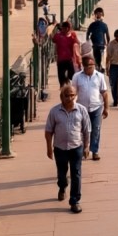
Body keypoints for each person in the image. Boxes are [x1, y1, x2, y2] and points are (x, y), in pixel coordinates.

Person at [45, 84, 90, 214]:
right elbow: (48, 131)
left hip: (76, 147)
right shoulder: (54, 112)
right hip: (60, 148)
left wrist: (86, 146)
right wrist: (49, 148)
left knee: (76, 173)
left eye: (72, 95)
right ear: (61, 97)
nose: (70, 98)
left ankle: (75, 201)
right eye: (67, 96)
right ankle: (62, 186)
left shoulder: (81, 110)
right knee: (62, 173)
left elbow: (87, 129)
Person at [71, 52, 109, 161]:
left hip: (96, 108)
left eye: (91, 65)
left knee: (96, 129)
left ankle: (95, 151)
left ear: (94, 65)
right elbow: (73, 93)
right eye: (87, 66)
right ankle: (83, 149)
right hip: (81, 109)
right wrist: (72, 106)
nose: (89, 68)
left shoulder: (99, 76)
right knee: (82, 130)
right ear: (83, 66)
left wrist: (106, 108)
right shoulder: (77, 77)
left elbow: (104, 93)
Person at [51, 21, 80, 86]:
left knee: (72, 78)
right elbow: (53, 39)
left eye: (68, 28)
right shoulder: (58, 36)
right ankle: (63, 89)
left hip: (70, 60)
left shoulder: (72, 36)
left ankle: (70, 89)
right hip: (61, 60)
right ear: (62, 28)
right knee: (62, 79)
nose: (67, 29)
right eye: (65, 28)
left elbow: (78, 44)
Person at [85, 7, 110, 72]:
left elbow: (88, 33)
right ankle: (99, 67)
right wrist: (108, 43)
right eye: (98, 14)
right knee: (99, 57)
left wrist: (88, 41)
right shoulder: (103, 25)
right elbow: (107, 36)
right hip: (98, 44)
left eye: (100, 14)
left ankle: (99, 67)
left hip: (98, 44)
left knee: (98, 57)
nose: (99, 15)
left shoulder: (93, 25)